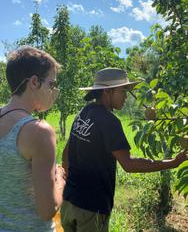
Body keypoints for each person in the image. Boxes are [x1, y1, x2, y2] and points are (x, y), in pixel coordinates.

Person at [61, 67, 188, 232]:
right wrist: (172, 163)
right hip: (91, 208)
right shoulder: (110, 121)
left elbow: (66, 153)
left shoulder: (84, 112)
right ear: (107, 91)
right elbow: (129, 165)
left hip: (69, 202)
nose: (126, 96)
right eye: (123, 90)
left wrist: (71, 184)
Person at [0, 46, 65, 231]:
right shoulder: (39, 131)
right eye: (51, 84)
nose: (53, 91)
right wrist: (59, 181)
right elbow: (48, 210)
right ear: (34, 82)